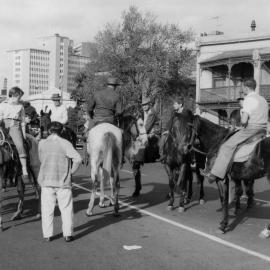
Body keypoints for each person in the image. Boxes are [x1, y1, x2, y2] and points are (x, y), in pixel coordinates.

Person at [201, 78, 269, 183]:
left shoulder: (249, 99)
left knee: (226, 146)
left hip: (251, 130)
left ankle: (215, 174)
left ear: (246, 88)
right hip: (263, 130)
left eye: (243, 88)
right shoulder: (263, 99)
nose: (242, 91)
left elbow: (244, 120)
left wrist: (242, 118)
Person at [38, 121, 82, 242]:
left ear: (48, 130)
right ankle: (68, 234)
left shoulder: (42, 143)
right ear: (61, 131)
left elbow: (41, 159)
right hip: (63, 181)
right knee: (66, 208)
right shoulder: (65, 143)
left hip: (46, 179)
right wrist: (71, 172)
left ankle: (47, 235)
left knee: (47, 209)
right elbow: (78, 159)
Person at [0, 87, 29, 179]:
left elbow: (23, 121)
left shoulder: (20, 106)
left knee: (20, 145)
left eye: (20, 97)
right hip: (3, 125)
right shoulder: (3, 104)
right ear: (13, 95)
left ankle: (24, 168)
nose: (20, 98)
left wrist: (23, 134)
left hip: (15, 126)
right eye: (18, 96)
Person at [157, 96, 192, 162]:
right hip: (174, 131)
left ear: (180, 104)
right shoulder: (174, 112)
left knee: (188, 143)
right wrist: (167, 130)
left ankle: (190, 157)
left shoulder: (187, 112)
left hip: (184, 132)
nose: (173, 105)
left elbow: (188, 124)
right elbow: (170, 122)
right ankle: (163, 155)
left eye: (175, 104)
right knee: (162, 139)